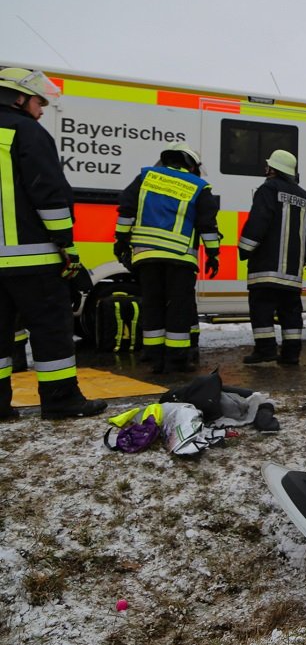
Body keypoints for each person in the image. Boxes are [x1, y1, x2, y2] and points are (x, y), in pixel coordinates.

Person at [0, 67, 104, 420]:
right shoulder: (27, 132)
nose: (42, 109)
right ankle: (61, 400)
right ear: (17, 98)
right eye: (37, 101)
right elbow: (48, 193)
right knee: (50, 330)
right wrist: (68, 250)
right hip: (32, 260)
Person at [115, 142, 220, 373]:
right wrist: (213, 254)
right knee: (178, 307)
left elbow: (126, 210)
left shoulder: (146, 177)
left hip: (146, 256)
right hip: (180, 258)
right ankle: (177, 359)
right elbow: (207, 225)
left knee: (153, 304)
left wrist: (121, 241)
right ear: (190, 164)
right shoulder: (199, 186)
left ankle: (154, 357)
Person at [239, 150, 306, 365]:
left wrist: (245, 249)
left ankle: (265, 350)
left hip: (265, 268)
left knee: (262, 308)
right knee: (291, 311)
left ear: (274, 169)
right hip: (292, 274)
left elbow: (258, 222)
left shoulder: (267, 189)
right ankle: (291, 354)